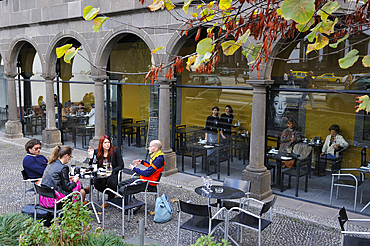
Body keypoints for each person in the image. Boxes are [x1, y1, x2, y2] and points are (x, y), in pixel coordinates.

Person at [118, 140, 164, 205]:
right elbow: (151, 166)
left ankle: (131, 205)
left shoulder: (159, 159)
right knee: (121, 184)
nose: (148, 148)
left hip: (148, 184)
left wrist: (135, 169)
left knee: (123, 189)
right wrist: (142, 162)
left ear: (156, 149)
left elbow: (147, 173)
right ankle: (131, 202)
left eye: (150, 146)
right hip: (144, 180)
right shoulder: (157, 156)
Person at [88, 135, 124, 200]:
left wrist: (113, 171)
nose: (107, 144)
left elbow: (121, 165)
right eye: (105, 143)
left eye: (108, 142)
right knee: (96, 183)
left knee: (111, 182)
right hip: (101, 173)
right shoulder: (97, 152)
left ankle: (110, 198)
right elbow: (92, 166)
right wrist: (91, 157)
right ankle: (112, 193)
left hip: (112, 172)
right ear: (101, 144)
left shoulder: (115, 151)